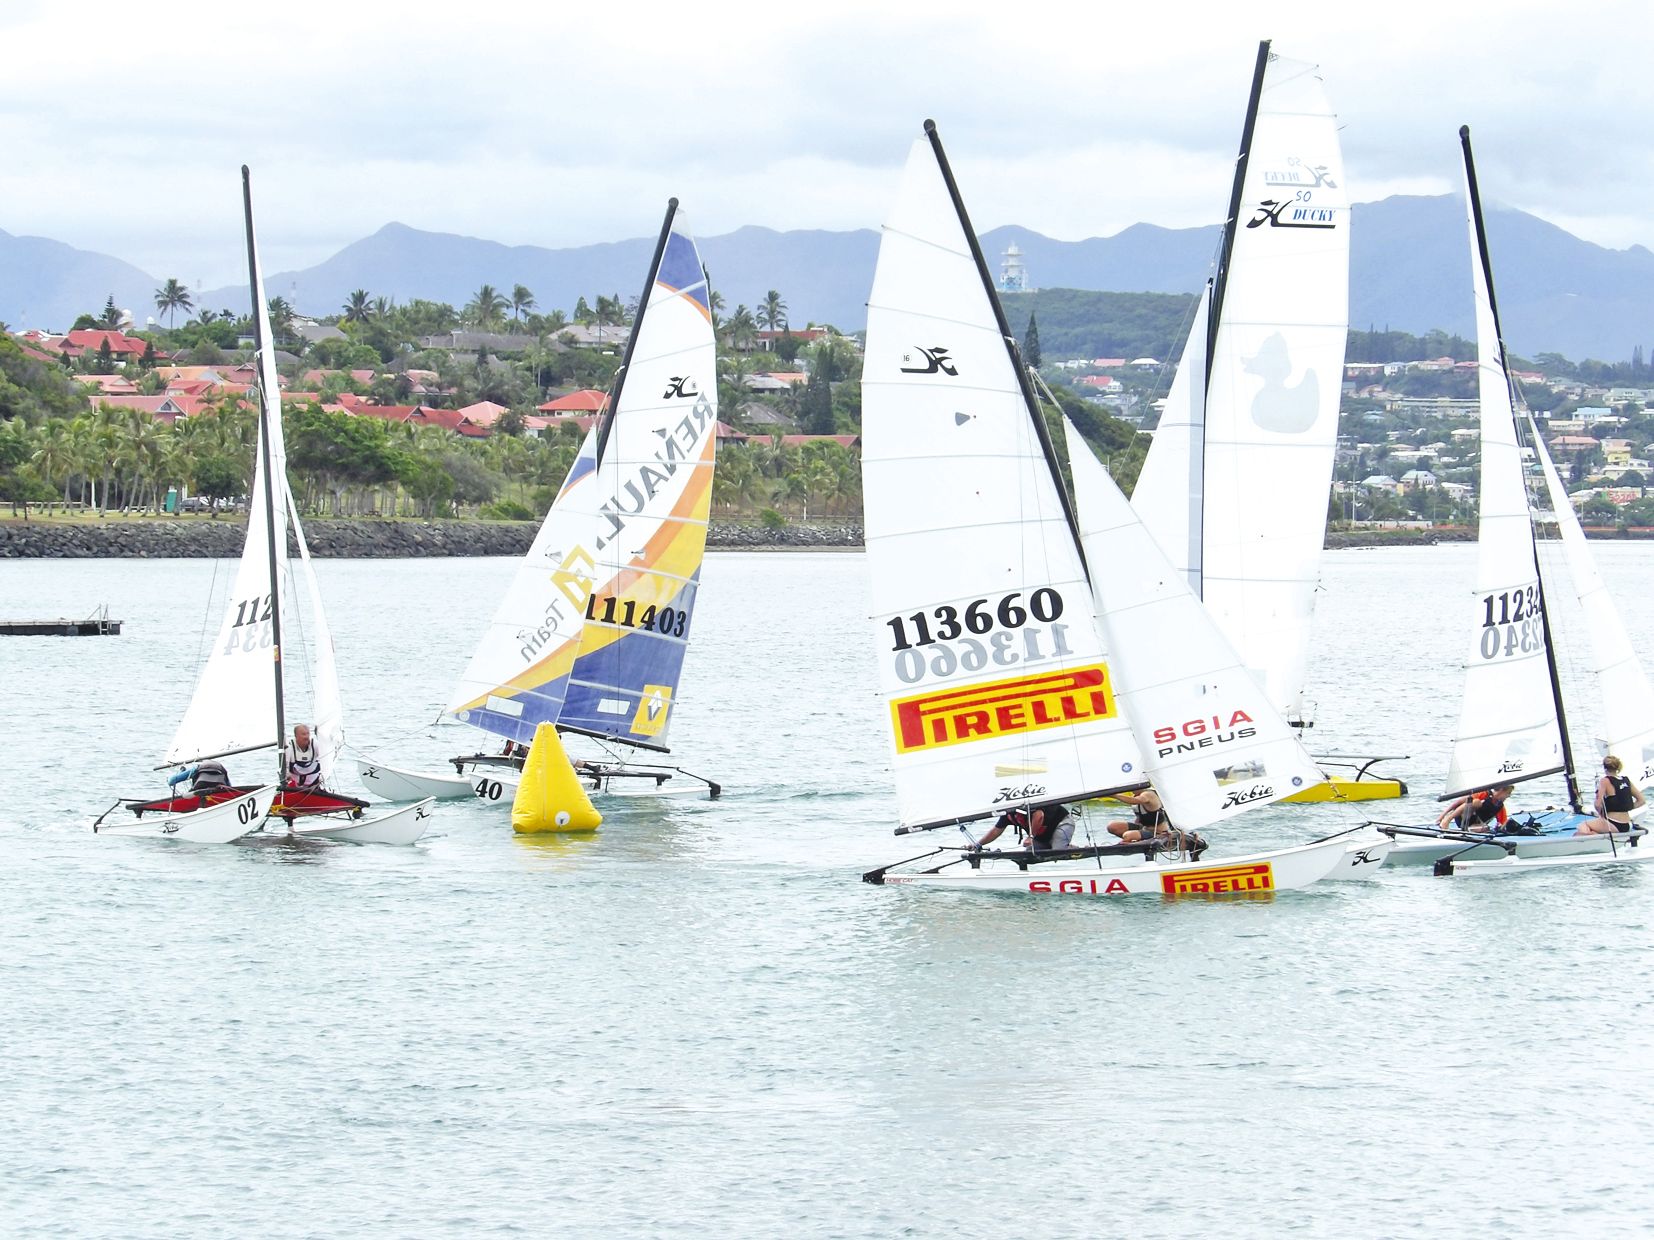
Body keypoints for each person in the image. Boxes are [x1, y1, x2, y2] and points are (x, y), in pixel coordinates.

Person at [1577, 755, 1646, 835]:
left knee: (1582, 826)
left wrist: (1601, 815)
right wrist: (1626, 807)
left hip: (1613, 823)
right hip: (1628, 824)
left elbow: (1597, 804)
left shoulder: (1605, 781)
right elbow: (1642, 801)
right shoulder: (1626, 780)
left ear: (1604, 767)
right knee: (1596, 827)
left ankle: (1594, 837)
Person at [975, 802, 1073, 852]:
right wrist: (978, 844)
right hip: (1043, 836)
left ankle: (1077, 849)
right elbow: (996, 831)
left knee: (1057, 851)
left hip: (1062, 823)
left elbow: (1039, 815)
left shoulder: (1024, 806)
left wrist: (1030, 837)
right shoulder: (1008, 813)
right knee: (1030, 852)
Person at [1437, 783, 1514, 832]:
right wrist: (1441, 817)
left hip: (1473, 824)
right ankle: (1447, 819)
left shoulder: (1500, 806)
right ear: (1501, 790)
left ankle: (1467, 831)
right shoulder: (1484, 794)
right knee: (1476, 802)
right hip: (1463, 817)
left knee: (1485, 829)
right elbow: (1457, 802)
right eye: (1508, 793)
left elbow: (1503, 823)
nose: (1509, 796)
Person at [284, 723, 323, 790]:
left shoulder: (316, 745)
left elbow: (326, 760)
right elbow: (285, 767)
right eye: (303, 734)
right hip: (294, 786)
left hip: (313, 785)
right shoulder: (289, 747)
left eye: (308, 734)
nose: (306, 737)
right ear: (296, 736)